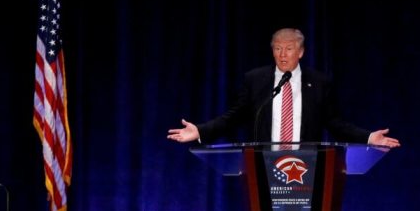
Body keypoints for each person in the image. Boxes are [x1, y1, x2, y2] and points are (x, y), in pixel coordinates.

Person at [167, 28, 400, 147]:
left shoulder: (319, 82)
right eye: (277, 48)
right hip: (264, 164)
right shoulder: (256, 79)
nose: (282, 54)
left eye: (289, 49)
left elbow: (335, 123)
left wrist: (369, 137)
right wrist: (201, 131)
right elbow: (234, 116)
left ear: (301, 52)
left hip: (306, 166)